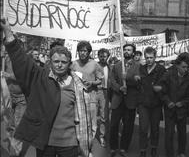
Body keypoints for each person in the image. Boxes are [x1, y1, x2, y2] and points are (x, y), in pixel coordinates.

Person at [0, 18, 93, 157]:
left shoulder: (78, 83)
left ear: (69, 63)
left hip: (70, 143)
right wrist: (7, 31)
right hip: (46, 142)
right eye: (56, 61)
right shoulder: (41, 77)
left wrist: (87, 147)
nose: (59, 65)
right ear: (50, 61)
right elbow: (22, 60)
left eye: (63, 62)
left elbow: (87, 117)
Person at [157, 52, 189, 157]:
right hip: (170, 110)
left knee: (182, 134)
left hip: (182, 111)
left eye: (187, 67)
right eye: (183, 67)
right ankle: (169, 154)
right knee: (169, 134)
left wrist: (184, 102)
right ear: (177, 66)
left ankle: (181, 152)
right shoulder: (168, 75)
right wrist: (168, 101)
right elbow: (161, 90)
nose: (186, 69)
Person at [70, 41, 104, 146]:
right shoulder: (73, 64)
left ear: (89, 52)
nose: (82, 53)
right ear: (78, 52)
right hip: (77, 98)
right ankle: (79, 143)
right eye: (80, 51)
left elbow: (100, 80)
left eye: (85, 51)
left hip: (91, 97)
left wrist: (92, 83)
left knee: (92, 122)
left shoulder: (95, 64)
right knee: (78, 121)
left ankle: (89, 144)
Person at [109, 43, 140, 157]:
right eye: (125, 49)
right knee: (113, 125)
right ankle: (113, 147)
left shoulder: (138, 66)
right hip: (117, 99)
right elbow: (112, 81)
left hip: (130, 101)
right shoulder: (117, 65)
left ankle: (123, 148)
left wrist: (127, 78)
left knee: (128, 126)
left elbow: (139, 82)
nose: (127, 51)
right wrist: (119, 88)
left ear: (133, 52)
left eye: (129, 50)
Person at [135, 47, 166, 157]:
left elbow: (166, 84)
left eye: (151, 58)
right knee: (143, 128)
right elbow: (138, 87)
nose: (149, 60)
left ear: (155, 57)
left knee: (155, 128)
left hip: (156, 104)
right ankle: (142, 149)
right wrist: (137, 79)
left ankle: (154, 148)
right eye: (147, 57)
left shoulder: (161, 69)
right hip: (143, 103)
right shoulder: (141, 68)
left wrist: (161, 88)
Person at [97, 48, 111, 147]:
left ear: (107, 57)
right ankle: (90, 136)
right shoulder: (94, 66)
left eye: (104, 56)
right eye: (101, 56)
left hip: (106, 93)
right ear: (98, 56)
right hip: (94, 91)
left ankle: (102, 136)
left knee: (104, 117)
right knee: (91, 115)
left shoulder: (111, 67)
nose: (102, 58)